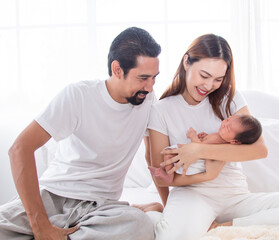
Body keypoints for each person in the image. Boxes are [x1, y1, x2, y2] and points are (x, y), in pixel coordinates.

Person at [145, 34, 279, 240]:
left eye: (218, 79)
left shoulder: (229, 99)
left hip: (236, 196)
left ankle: (224, 226)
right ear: (187, 62)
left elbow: (259, 149)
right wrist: (170, 205)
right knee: (173, 237)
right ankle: (154, 212)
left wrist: (198, 149)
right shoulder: (161, 110)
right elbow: (159, 170)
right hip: (192, 196)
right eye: (204, 75)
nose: (208, 85)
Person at [0, 27, 161, 240]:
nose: (150, 86)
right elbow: (19, 149)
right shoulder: (78, 95)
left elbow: (153, 157)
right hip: (54, 197)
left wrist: (164, 207)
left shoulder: (147, 101)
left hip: (101, 208)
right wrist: (40, 225)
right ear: (117, 69)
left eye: (154, 77)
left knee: (139, 226)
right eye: (143, 78)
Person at [148, 114, 262, 183]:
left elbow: (199, 148)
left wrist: (193, 136)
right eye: (227, 120)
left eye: (228, 128)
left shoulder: (218, 141)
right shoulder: (220, 137)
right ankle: (167, 174)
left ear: (235, 142)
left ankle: (169, 176)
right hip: (195, 154)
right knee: (169, 152)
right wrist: (204, 137)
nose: (224, 125)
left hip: (195, 163)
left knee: (168, 153)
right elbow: (204, 144)